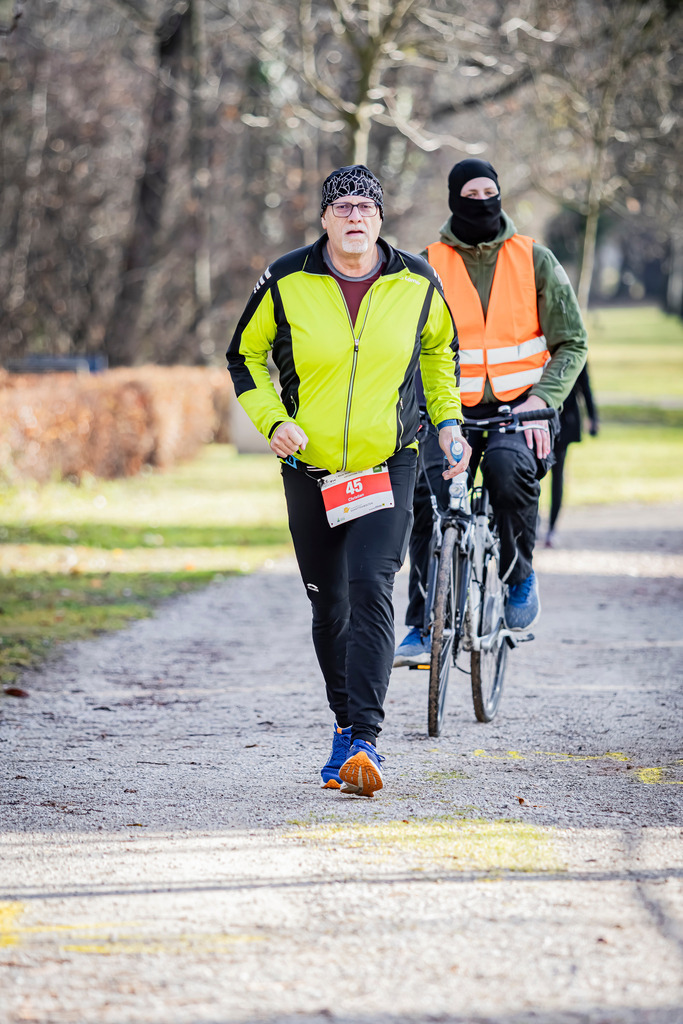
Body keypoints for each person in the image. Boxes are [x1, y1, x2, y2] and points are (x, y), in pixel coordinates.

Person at [227, 164, 471, 796]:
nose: (355, 216)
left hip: (387, 462)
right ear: (327, 219)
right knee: (327, 600)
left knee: (370, 586)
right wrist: (272, 421)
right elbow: (244, 356)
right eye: (343, 207)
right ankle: (344, 722)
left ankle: (365, 739)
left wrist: (447, 423)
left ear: (381, 217)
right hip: (309, 468)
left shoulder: (416, 280)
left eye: (366, 205)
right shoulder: (286, 279)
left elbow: (440, 353)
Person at [395, 158, 588, 667]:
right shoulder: (426, 263)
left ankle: (519, 575)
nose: (482, 200)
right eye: (471, 192)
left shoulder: (534, 259)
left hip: (516, 411)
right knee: (429, 499)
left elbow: (572, 343)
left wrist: (542, 400)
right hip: (448, 413)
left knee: (507, 474)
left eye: (490, 191)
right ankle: (421, 622)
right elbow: (401, 345)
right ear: (454, 200)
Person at [545, 363, 599, 548]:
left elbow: (584, 385)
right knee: (531, 473)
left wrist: (593, 418)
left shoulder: (573, 346)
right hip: (540, 415)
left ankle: (551, 527)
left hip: (564, 419)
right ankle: (534, 523)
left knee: (557, 474)